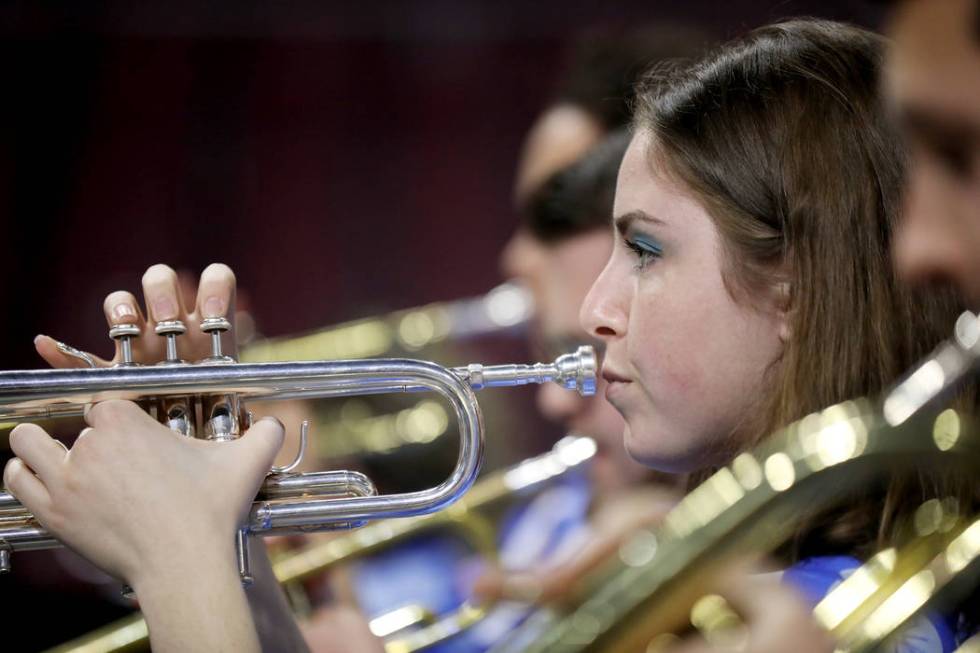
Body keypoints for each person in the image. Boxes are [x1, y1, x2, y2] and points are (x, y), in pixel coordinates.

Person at [5, 17, 974, 653]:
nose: (595, 304)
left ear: (796, 285)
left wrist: (178, 556)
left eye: (642, 248)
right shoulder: (737, 578)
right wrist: (228, 544)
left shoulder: (828, 623)